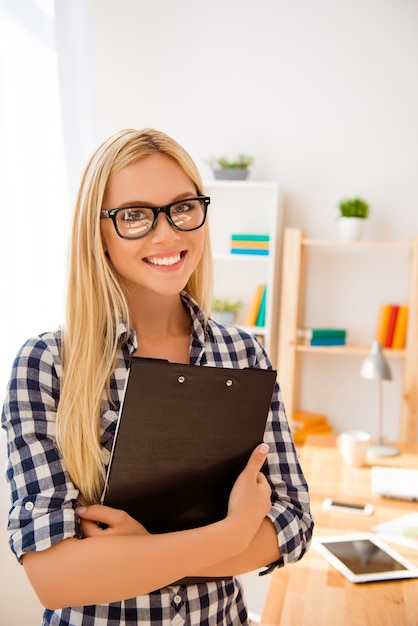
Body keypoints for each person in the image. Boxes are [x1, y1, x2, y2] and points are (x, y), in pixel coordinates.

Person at [2, 128, 314, 626]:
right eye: (134, 215)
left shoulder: (243, 354)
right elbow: (56, 577)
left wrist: (140, 554)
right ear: (97, 233)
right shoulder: (45, 365)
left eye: (183, 207)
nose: (167, 233)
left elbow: (293, 523)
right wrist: (230, 535)